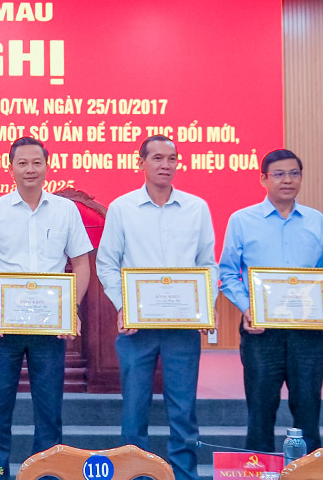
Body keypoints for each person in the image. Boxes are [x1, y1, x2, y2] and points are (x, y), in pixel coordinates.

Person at [0, 138, 92, 480]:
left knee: (49, 414)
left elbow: (81, 263)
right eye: (22, 163)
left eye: (37, 162)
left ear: (47, 166)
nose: (30, 169)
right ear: (10, 168)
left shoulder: (66, 210)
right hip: (2, 328)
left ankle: (46, 475)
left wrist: (72, 309)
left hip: (50, 328)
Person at [96, 135, 217, 480]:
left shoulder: (197, 208)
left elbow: (208, 264)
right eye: (158, 158)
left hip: (182, 328)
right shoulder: (122, 208)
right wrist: (123, 306)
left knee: (184, 411)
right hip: (138, 328)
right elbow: (107, 263)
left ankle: (185, 474)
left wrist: (205, 306)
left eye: (172, 158)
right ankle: (134, 474)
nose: (166, 165)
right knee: (134, 411)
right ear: (141, 163)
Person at [218, 149, 323, 453]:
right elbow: (227, 273)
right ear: (264, 179)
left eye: (294, 173)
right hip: (261, 332)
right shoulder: (242, 220)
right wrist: (247, 308)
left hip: (308, 332)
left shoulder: (316, 221)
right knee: (260, 412)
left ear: (301, 177)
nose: (288, 180)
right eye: (279, 174)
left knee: (308, 410)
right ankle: (259, 471)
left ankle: (308, 472)